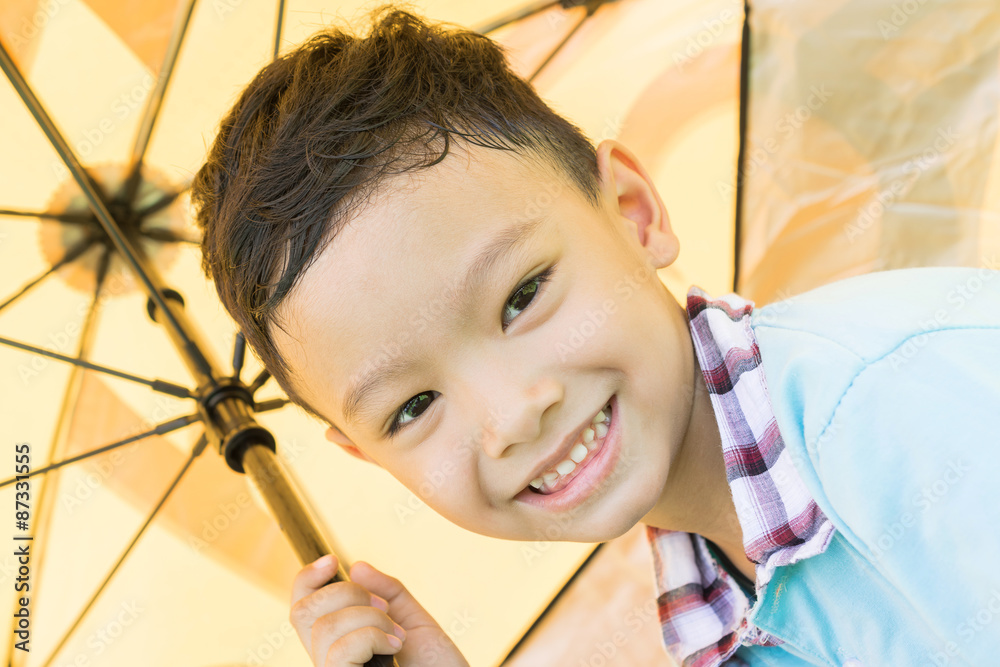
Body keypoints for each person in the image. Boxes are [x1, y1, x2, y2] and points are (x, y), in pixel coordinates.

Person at [191, 7, 1000, 667]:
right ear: (366, 454)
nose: (512, 415)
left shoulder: (902, 410)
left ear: (633, 213)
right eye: (413, 406)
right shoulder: (712, 594)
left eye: (522, 296)